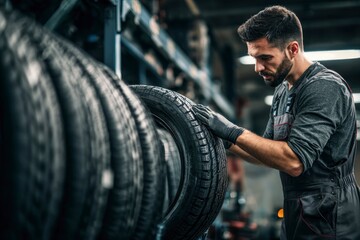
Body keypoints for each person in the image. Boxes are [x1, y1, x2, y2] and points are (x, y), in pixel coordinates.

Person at [193, 5, 360, 240]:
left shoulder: (324, 88)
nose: (258, 67)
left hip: (331, 216)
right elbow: (267, 151)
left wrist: (231, 129)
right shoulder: (282, 91)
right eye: (254, 57)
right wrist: (220, 139)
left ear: (293, 49)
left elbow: (293, 161)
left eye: (265, 58)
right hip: (297, 212)